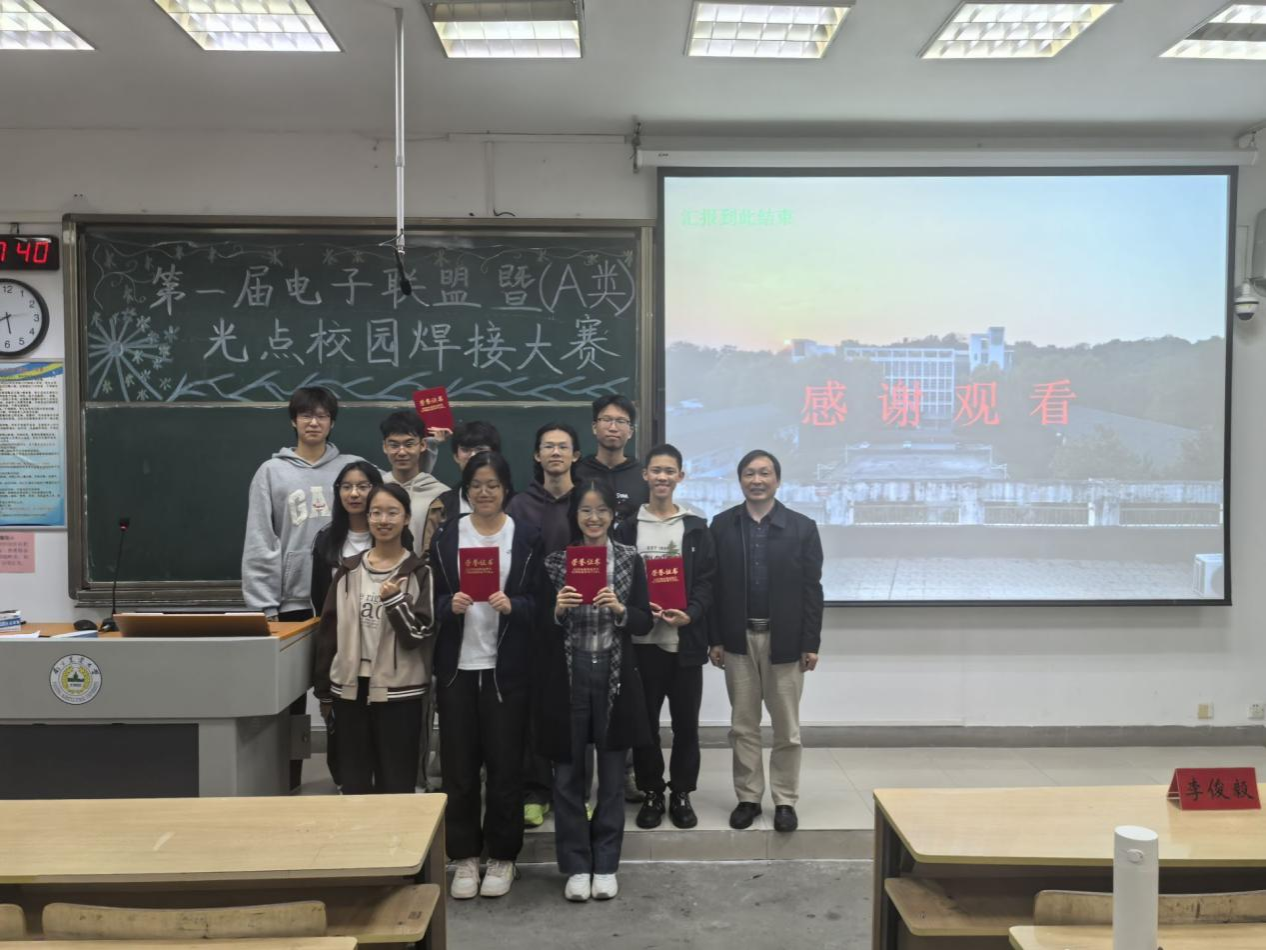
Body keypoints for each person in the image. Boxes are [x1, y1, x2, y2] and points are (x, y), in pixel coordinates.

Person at [430, 451, 541, 899]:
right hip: (458, 670)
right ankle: (464, 856)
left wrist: (516, 605)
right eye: (476, 485)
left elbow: (541, 600)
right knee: (458, 770)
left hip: (505, 671)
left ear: (506, 489)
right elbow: (430, 598)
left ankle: (502, 856)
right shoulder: (446, 535)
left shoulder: (526, 536)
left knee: (505, 768)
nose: (484, 492)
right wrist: (447, 606)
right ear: (466, 489)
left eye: (493, 484)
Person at [539, 479, 652, 902]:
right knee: (568, 774)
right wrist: (557, 610)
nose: (594, 518)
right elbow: (538, 625)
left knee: (611, 775)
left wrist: (621, 609)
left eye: (601, 510)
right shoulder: (556, 562)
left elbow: (644, 620)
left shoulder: (629, 559)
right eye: (585, 510)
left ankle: (605, 863)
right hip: (568, 675)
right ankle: (575, 865)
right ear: (575, 515)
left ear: (613, 515)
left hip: (613, 674)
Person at [709, 450, 823, 833]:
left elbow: (812, 590)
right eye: (749, 473)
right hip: (737, 641)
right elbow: (713, 587)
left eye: (764, 473)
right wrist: (715, 638)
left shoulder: (802, 527)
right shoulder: (722, 525)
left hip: (785, 641)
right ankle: (748, 797)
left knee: (787, 729)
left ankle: (785, 800)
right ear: (740, 479)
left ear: (777, 479)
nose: (756, 480)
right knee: (743, 726)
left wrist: (810, 642)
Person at [613, 444, 716, 830]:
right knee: (645, 726)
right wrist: (639, 609)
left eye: (669, 471)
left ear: (680, 477)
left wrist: (691, 613)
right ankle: (653, 791)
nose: (662, 477)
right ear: (645, 475)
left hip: (683, 642)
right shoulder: (626, 528)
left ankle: (682, 792)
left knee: (686, 725)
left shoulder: (695, 527)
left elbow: (707, 581)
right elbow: (620, 580)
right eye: (656, 470)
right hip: (642, 643)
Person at [311, 482, 435, 795]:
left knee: (397, 782)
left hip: (400, 691)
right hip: (350, 689)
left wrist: (395, 602)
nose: (383, 520)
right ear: (367, 518)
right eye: (376, 512)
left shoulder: (419, 572)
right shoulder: (349, 570)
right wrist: (324, 691)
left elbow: (418, 635)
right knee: (354, 783)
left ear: (407, 518)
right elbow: (328, 632)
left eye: (392, 512)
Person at [505, 422, 581, 828]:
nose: (555, 453)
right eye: (548, 446)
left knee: (574, 707)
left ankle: (573, 790)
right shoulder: (518, 505)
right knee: (533, 707)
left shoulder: (586, 501)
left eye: (563, 446)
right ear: (537, 455)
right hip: (532, 620)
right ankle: (535, 790)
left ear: (575, 455)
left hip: (581, 620)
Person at [242, 386, 362, 621]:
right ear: (293, 421)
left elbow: (398, 492)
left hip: (349, 595)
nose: (314, 423)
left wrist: (427, 451)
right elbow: (260, 540)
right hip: (292, 601)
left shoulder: (352, 469)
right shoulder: (271, 472)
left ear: (332, 423)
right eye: (306, 415)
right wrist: (264, 606)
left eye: (322, 416)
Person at [310, 461, 384, 616]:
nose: (354, 494)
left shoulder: (392, 534)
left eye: (363, 487)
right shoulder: (325, 540)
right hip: (339, 625)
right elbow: (319, 597)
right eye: (346, 487)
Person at [573, 394, 648, 528]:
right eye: (606, 419)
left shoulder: (643, 476)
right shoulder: (577, 473)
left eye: (621, 421)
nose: (613, 427)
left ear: (630, 431)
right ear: (594, 427)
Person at [380, 411, 448, 557]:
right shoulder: (376, 490)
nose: (402, 452)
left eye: (409, 444)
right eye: (394, 445)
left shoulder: (441, 494)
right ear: (385, 447)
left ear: (422, 445)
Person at [434, 420, 503, 525]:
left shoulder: (514, 503)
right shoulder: (442, 503)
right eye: (466, 450)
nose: (472, 456)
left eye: (480, 449)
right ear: (456, 456)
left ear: (495, 455)